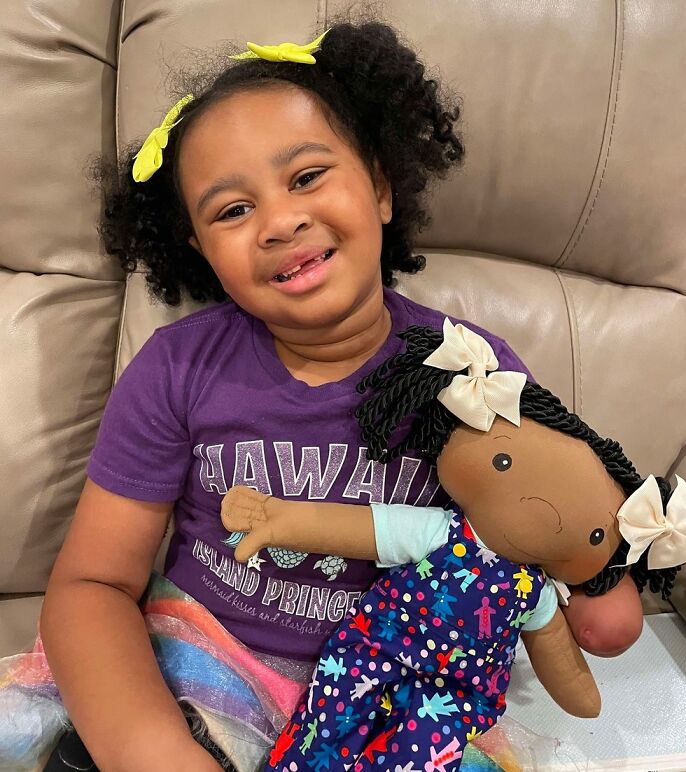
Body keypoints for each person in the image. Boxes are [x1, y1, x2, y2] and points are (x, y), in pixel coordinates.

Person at [36, 19, 642, 772]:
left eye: (306, 177)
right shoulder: (176, 369)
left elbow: (557, 512)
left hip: (396, 691)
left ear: (382, 189)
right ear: (198, 250)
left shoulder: (470, 370)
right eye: (231, 210)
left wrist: (602, 578)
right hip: (204, 668)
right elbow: (91, 584)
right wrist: (155, 750)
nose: (281, 221)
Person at [220, 320, 686, 771]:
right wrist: (279, 518)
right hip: (373, 652)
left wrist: (582, 696)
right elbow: (362, 528)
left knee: (418, 756)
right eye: (506, 462)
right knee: (326, 727)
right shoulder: (440, 532)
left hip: (453, 696)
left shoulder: (537, 593)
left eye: (597, 537)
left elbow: (559, 656)